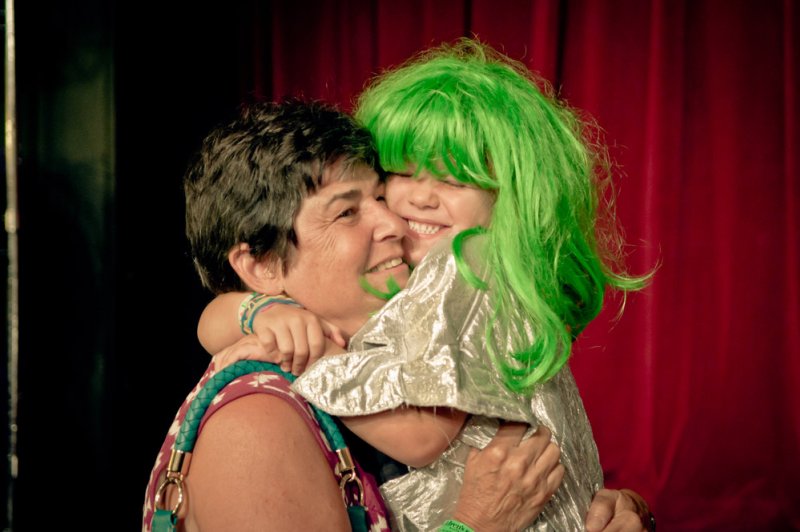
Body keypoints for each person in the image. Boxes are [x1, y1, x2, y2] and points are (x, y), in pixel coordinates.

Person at [202, 40, 655, 531]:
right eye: (397, 175)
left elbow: (422, 436)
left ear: (513, 199)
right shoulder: (259, 417)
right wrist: (258, 314)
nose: (411, 205)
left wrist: (312, 357)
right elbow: (212, 322)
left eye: (455, 181)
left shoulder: (467, 265)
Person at [142, 99, 568, 532]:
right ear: (261, 267)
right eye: (346, 212)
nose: (395, 224)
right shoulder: (255, 425)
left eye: (382, 196)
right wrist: (478, 523)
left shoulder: (399, 349)